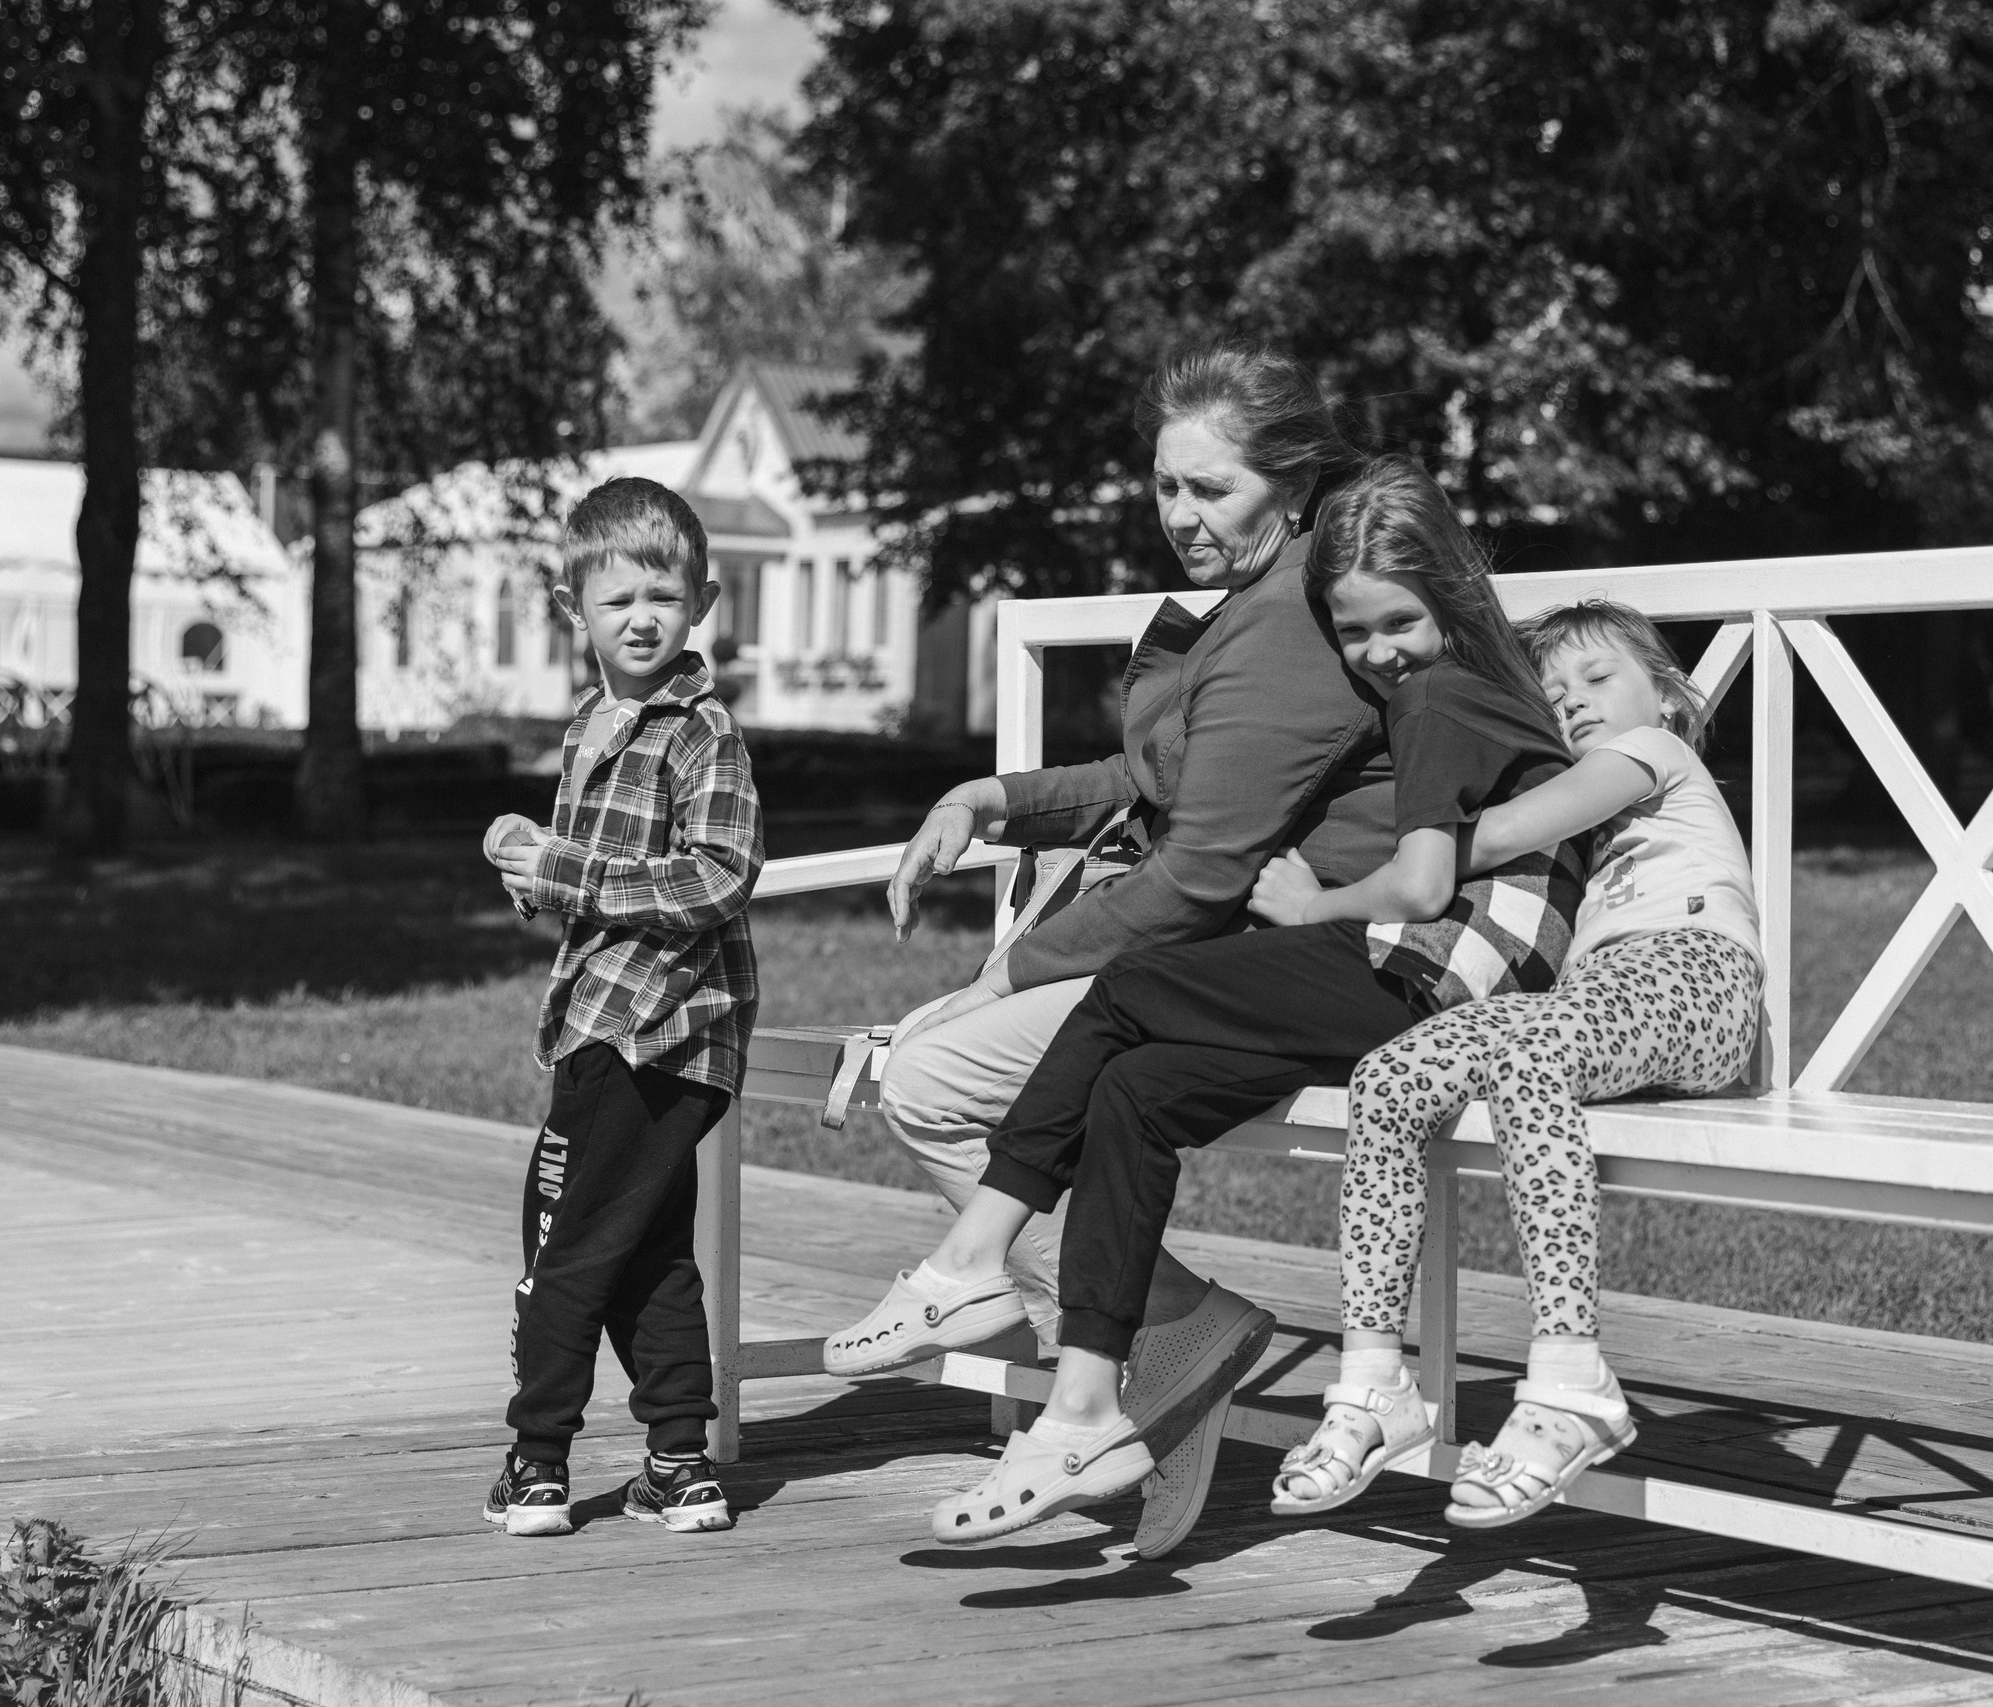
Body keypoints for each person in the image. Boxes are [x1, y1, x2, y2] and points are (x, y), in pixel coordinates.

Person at [873, 456, 1576, 1547]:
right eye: (1354, 634)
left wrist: (1309, 904)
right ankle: (1089, 1407)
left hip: (1432, 981)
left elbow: (1427, 885)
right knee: (1138, 1092)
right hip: (1405, 983)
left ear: (1448, 591)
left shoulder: (1436, 697)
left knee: (1128, 992)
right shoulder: (1439, 687)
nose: (1376, 653)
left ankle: (975, 1269)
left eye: (1397, 621)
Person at [821, 344, 1392, 1558]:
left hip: (1292, 960)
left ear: (1291, 485)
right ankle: (1166, 1336)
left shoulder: (1291, 618)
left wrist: (1005, 971)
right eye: (1164, 487)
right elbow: (1151, 777)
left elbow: (1197, 876)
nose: (1180, 517)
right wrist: (996, 798)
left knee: (929, 1073)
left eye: (1210, 491)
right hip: (1212, 951)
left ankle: (1137, 1342)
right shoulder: (1239, 600)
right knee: (931, 1073)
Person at [1267, 597, 1763, 1530]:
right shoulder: (1588, 820)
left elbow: (1486, 839)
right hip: (1599, 1006)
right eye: (1553, 691)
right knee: (1388, 1076)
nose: (1572, 702)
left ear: (1666, 694)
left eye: (1597, 678)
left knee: (1529, 1053)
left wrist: (1322, 902)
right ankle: (1375, 1382)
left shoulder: (1656, 754)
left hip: (1695, 977)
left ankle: (1573, 1379)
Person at [475, 477, 761, 1537]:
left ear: (702, 601)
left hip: (656, 1029)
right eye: (616, 599)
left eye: (663, 594)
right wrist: (534, 875)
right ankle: (680, 1466)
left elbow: (717, 878)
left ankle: (537, 1460)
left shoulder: (701, 734)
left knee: (565, 1244)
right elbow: (584, 888)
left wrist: (565, 875)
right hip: (601, 1011)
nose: (642, 617)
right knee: (648, 1248)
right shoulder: (592, 729)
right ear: (571, 607)